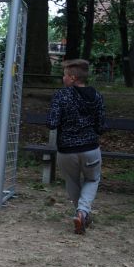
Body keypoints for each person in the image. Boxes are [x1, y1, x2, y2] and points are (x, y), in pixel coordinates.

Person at [46, 58, 105, 234]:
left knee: (71, 181)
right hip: (90, 149)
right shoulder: (97, 96)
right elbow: (101, 126)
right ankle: (82, 212)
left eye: (64, 75)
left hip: (66, 150)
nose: (63, 78)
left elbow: (51, 123)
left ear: (72, 78)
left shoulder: (61, 95)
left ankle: (81, 213)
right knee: (92, 179)